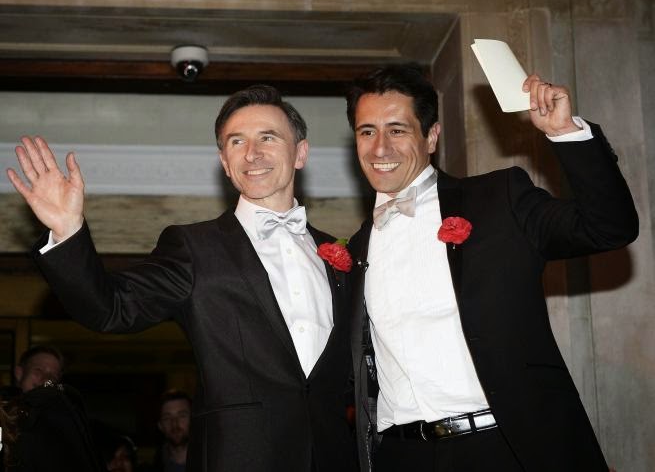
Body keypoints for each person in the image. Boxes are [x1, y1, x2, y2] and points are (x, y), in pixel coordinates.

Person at [6, 85, 357, 472]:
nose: (252, 153)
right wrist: (66, 230)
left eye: (268, 137)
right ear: (224, 162)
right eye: (236, 141)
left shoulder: (339, 254)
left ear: (300, 153)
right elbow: (111, 309)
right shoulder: (194, 247)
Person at [346, 64, 638, 472]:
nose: (380, 148)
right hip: (403, 454)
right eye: (367, 132)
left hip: (505, 447)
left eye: (397, 130)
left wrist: (565, 132)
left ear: (431, 137)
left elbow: (609, 227)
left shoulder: (498, 200)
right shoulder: (357, 246)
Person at [151, 390, 191, 472]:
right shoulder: (152, 467)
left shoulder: (212, 462)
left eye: (182, 416)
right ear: (160, 425)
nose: (174, 423)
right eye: (167, 418)